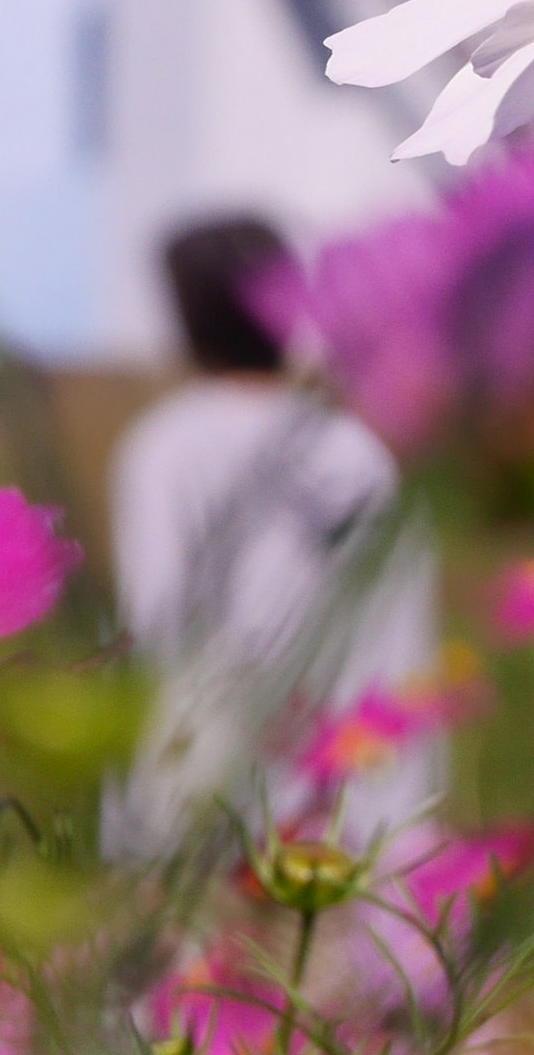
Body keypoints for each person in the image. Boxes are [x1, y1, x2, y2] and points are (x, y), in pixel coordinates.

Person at [101, 216, 428, 859]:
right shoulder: (355, 446)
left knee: (220, 955)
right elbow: (397, 624)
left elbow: (157, 615)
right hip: (351, 768)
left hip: (208, 771)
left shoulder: (168, 444)